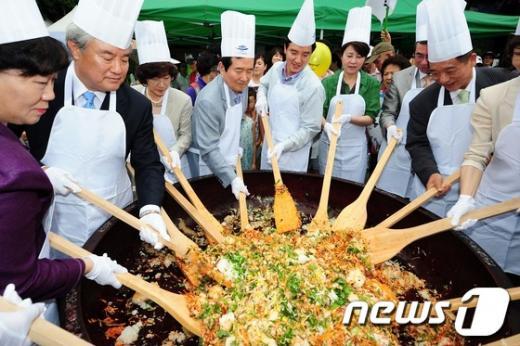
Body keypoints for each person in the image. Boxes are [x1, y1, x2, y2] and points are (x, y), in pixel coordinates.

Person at [0, 0, 126, 325]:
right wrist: (88, 266)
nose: (50, 95)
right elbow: (20, 280)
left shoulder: (132, 104)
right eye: (41, 83)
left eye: (52, 82)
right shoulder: (17, 177)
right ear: (77, 50)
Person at [10, 0, 169, 250]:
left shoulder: (136, 106)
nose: (118, 69)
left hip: (114, 218)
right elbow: (5, 144)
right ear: (75, 48)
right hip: (52, 219)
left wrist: (150, 209)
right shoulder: (44, 90)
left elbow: (147, 162)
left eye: (125, 58)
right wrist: (38, 172)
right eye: (107, 57)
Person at [406, 0, 514, 217]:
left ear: (472, 59)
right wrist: (430, 173)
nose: (443, 79)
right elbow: (417, 143)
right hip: (437, 192)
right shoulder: (422, 102)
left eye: (451, 70)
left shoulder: (502, 85)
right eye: (435, 73)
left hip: (487, 190)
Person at [447, 24, 520, 284]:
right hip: (491, 212)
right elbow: (477, 153)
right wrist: (466, 197)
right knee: (481, 282)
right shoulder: (494, 97)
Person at [191, 10, 255, 199]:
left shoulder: (242, 88)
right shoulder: (208, 101)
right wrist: (232, 178)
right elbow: (209, 149)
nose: (245, 78)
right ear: (221, 68)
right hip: (210, 167)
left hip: (231, 161)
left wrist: (235, 150)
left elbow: (238, 118)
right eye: (238, 70)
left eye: (249, 71)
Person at [256, 0, 325, 173]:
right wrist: (261, 97)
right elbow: (263, 84)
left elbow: (311, 128)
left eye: (305, 54)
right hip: (269, 147)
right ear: (285, 48)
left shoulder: (313, 86)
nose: (298, 60)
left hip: (294, 156)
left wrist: (285, 145)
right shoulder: (277, 68)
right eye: (294, 52)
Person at [377, 1, 432, 198]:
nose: (424, 62)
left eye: (429, 56)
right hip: (396, 150)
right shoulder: (401, 78)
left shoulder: (444, 79)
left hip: (429, 155)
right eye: (419, 56)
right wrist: (390, 127)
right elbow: (388, 112)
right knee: (388, 199)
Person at [318, 6, 379, 183]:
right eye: (349, 55)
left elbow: (371, 116)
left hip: (356, 151)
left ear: (365, 59)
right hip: (329, 146)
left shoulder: (371, 83)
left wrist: (350, 118)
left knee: (352, 192)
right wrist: (326, 126)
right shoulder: (328, 82)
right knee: (326, 190)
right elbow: (318, 114)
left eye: (359, 56)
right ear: (341, 55)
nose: (353, 61)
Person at [133, 20, 193, 181]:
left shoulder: (183, 100)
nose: (162, 85)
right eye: (155, 79)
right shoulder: (134, 97)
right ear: (144, 79)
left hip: (175, 167)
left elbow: (186, 135)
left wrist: (175, 152)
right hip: (142, 166)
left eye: (166, 78)